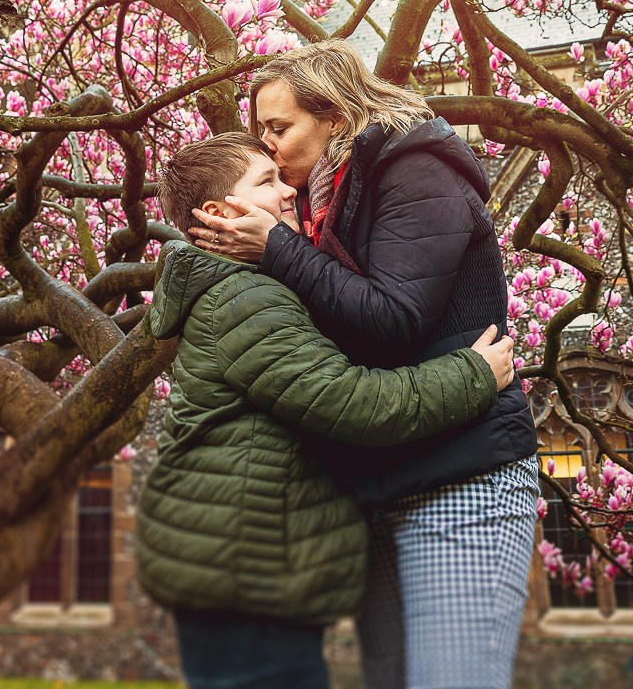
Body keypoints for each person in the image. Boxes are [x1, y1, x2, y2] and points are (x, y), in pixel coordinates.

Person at [190, 40, 540, 689]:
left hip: (458, 476)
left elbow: (392, 318)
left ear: (333, 115)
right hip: (379, 483)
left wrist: (277, 248)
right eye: (259, 130)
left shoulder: (416, 168)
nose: (265, 144)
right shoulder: (322, 201)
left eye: (279, 127)